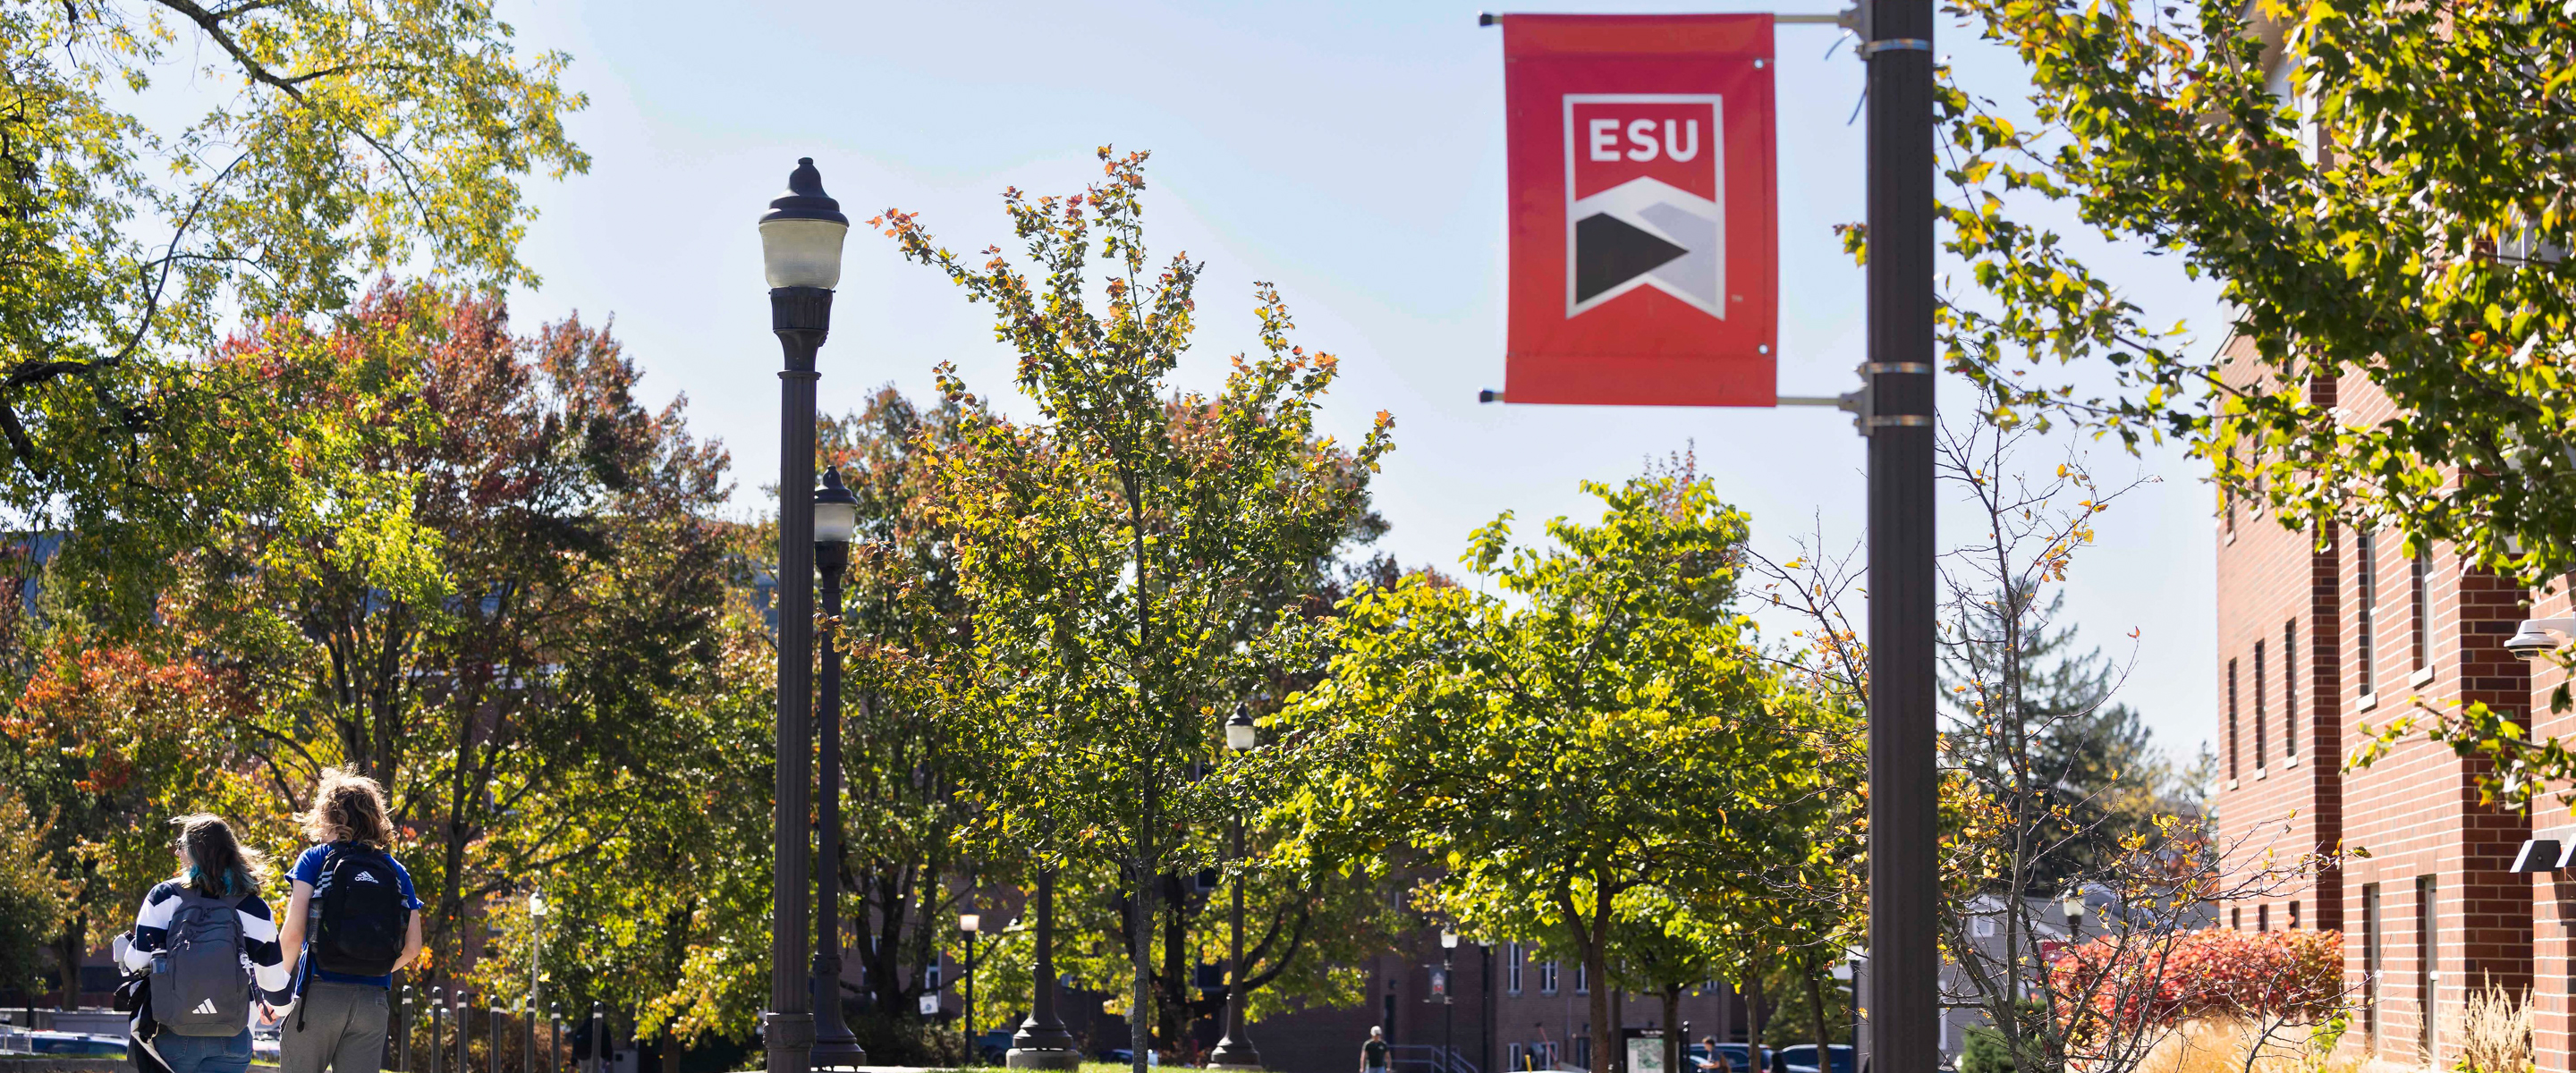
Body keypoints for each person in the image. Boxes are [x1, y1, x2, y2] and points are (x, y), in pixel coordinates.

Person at [274, 768, 424, 1073]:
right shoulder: (396, 870)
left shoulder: (315, 858)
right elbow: (413, 947)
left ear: (329, 816)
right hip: (372, 1003)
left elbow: (293, 933)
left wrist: (273, 990)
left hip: (319, 996)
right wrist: (371, 967)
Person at [120, 815, 295, 1073]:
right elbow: (273, 982)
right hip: (233, 1034)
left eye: (181, 845)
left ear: (194, 852)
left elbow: (137, 961)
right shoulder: (254, 907)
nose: (177, 852)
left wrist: (124, 949)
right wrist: (281, 1008)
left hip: (172, 1030)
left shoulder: (164, 896)